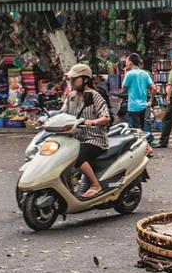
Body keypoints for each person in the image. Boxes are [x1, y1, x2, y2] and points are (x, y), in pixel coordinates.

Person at [60, 64, 111, 199]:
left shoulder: (95, 96)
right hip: (74, 138)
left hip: (94, 139)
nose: (72, 82)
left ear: (85, 79)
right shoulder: (70, 96)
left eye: (74, 79)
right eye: (70, 79)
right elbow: (63, 113)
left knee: (77, 155)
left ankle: (95, 185)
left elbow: (106, 117)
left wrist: (93, 122)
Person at [122, 54, 155, 137]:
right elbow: (154, 88)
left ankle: (144, 147)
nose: (126, 64)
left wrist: (125, 74)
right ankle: (146, 146)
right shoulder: (145, 73)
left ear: (130, 63)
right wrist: (150, 101)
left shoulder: (129, 74)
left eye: (126, 62)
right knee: (141, 129)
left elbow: (123, 89)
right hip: (143, 106)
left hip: (133, 107)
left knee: (135, 131)